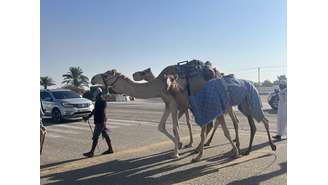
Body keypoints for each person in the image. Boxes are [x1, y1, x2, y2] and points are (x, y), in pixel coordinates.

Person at [83, 87, 114, 157]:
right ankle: (110, 149)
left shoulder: (101, 101)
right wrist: (88, 117)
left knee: (95, 137)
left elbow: (96, 111)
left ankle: (91, 152)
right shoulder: (99, 100)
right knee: (105, 135)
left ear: (97, 93)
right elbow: (95, 110)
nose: (94, 94)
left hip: (100, 121)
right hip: (101, 121)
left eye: (95, 93)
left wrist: (87, 117)